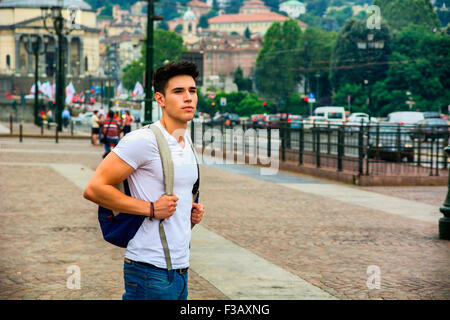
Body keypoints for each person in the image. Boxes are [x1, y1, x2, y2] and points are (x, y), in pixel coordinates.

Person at [83, 61, 204, 300]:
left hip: (181, 270)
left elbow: (170, 197)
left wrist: (189, 214)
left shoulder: (186, 142)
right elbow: (94, 188)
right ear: (160, 99)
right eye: (178, 92)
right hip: (149, 271)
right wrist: (150, 208)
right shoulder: (143, 140)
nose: (188, 97)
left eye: (192, 90)